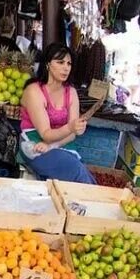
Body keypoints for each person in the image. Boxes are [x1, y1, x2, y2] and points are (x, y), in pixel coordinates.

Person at [19, 42, 96, 184]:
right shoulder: (34, 91)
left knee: (81, 170)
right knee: (76, 171)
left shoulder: (71, 92)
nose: (66, 68)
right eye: (60, 62)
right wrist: (71, 127)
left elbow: (72, 135)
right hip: (34, 144)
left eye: (69, 64)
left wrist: (53, 145)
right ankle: (94, 203)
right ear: (48, 64)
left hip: (60, 145)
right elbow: (46, 135)